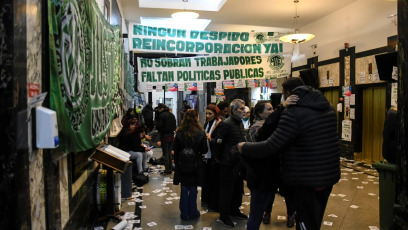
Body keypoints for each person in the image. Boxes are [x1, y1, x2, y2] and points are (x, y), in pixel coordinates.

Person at [238, 77, 340, 230]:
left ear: (286, 93)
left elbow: (272, 145)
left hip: (306, 179)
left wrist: (244, 147)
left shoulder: (293, 113)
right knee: (315, 220)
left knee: (305, 222)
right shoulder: (328, 109)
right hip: (327, 176)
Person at [244, 97, 298, 230]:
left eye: (273, 109)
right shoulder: (257, 128)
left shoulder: (271, 125)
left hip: (271, 173)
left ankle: (289, 215)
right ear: (259, 114)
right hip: (260, 175)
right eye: (269, 109)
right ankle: (265, 215)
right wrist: (281, 108)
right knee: (256, 212)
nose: (272, 111)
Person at [214, 99, 248, 228]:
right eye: (241, 108)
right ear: (234, 111)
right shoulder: (226, 124)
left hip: (238, 162)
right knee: (227, 190)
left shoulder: (239, 123)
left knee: (238, 189)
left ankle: (235, 210)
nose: (244, 111)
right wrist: (218, 157)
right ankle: (224, 215)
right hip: (227, 163)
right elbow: (218, 142)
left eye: (244, 108)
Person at [172, 109, 208, 220]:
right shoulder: (201, 132)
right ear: (197, 118)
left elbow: (175, 149)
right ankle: (193, 212)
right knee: (193, 188)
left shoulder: (179, 132)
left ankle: (184, 213)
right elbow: (204, 150)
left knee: (184, 187)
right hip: (195, 164)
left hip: (182, 164)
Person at [201, 104, 222, 212]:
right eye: (207, 113)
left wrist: (211, 139)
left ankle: (213, 204)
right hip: (207, 155)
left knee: (214, 181)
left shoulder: (219, 123)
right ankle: (207, 201)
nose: (208, 116)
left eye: (210, 114)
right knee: (207, 180)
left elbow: (220, 141)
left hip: (214, 156)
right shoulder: (207, 123)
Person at [155, 103, 177, 175]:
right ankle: (170, 168)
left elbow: (159, 126)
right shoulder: (171, 114)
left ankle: (167, 170)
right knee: (169, 153)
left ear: (161, 108)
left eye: (158, 109)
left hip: (165, 136)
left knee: (166, 153)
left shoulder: (161, 116)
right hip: (171, 135)